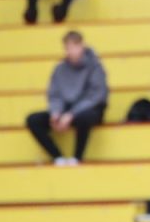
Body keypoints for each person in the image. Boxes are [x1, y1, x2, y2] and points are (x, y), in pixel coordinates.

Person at [27, 31, 108, 166]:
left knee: (85, 118)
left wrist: (71, 114)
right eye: (67, 48)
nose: (70, 51)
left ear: (81, 46)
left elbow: (96, 96)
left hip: (88, 110)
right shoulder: (60, 69)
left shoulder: (95, 66)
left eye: (73, 46)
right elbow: (54, 94)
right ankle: (58, 157)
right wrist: (56, 113)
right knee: (33, 120)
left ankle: (77, 157)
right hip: (65, 110)